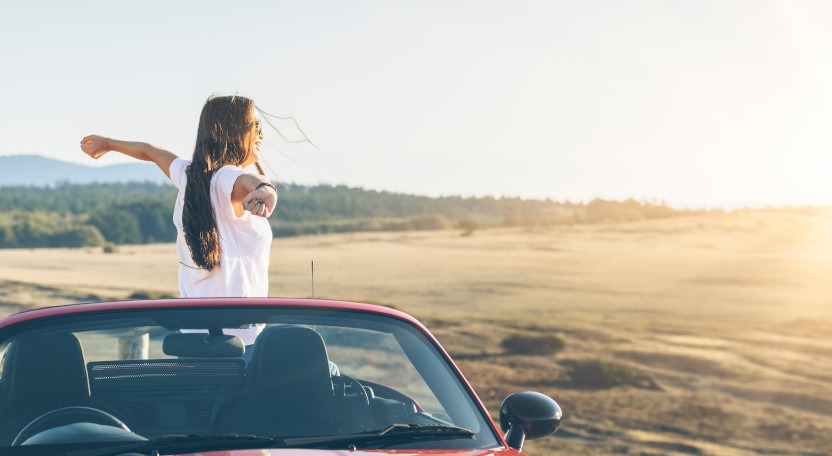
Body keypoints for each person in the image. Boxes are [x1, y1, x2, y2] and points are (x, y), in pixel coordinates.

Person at [81, 95, 278, 348]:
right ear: (234, 132)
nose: (261, 135)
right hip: (242, 344)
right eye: (256, 126)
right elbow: (251, 183)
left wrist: (107, 144)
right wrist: (267, 193)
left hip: (194, 340)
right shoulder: (228, 177)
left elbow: (150, 152)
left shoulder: (190, 176)